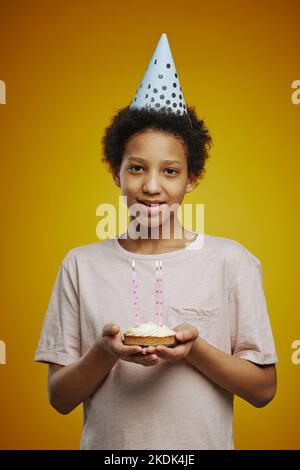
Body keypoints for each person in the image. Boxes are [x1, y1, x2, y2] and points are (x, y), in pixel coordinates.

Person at [34, 34, 278, 450]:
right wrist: (105, 351)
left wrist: (194, 350)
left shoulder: (231, 262)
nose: (150, 186)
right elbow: (59, 398)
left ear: (191, 179)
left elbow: (263, 390)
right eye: (136, 168)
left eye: (170, 171)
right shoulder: (80, 265)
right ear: (116, 172)